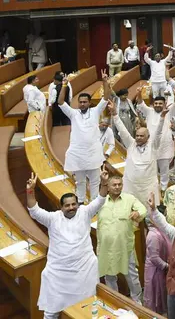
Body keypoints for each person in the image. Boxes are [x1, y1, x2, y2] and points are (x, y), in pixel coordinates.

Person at [26, 172, 108, 319]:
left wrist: (103, 183)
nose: (71, 208)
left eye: (73, 204)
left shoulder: (85, 212)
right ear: (61, 207)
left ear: (77, 204)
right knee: (51, 313)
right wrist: (30, 191)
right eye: (67, 205)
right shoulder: (52, 218)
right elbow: (34, 211)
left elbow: (100, 200)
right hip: (59, 274)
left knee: (86, 308)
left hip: (84, 271)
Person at [59, 71, 110, 204]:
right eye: (80, 102)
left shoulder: (95, 111)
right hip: (78, 154)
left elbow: (106, 98)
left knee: (95, 181)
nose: (82, 104)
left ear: (89, 103)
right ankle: (80, 203)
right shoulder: (73, 114)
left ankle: (94, 204)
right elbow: (60, 102)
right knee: (80, 181)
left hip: (93, 153)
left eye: (85, 102)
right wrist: (64, 85)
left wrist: (105, 81)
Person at [97, 175, 147, 304]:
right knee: (110, 276)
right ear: (107, 186)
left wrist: (137, 213)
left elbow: (143, 209)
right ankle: (115, 302)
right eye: (114, 185)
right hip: (106, 248)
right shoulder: (100, 201)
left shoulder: (129, 199)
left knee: (131, 275)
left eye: (120, 184)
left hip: (125, 246)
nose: (118, 187)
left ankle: (137, 302)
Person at [108, 98, 165, 204]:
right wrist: (115, 114)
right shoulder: (131, 144)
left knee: (151, 214)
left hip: (148, 186)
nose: (138, 138)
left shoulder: (153, 145)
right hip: (131, 186)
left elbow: (158, 133)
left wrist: (162, 118)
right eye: (137, 135)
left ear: (148, 137)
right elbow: (122, 129)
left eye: (141, 136)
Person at [136, 91, 175, 192]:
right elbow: (140, 103)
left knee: (164, 172)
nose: (158, 105)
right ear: (153, 104)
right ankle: (153, 190)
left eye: (160, 103)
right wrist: (139, 93)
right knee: (151, 171)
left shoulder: (168, 112)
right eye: (156, 103)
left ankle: (163, 190)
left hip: (165, 147)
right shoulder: (149, 111)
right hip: (151, 147)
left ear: (164, 104)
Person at [144, 205, 169, 315]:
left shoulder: (160, 230)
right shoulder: (153, 235)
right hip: (154, 271)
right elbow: (154, 258)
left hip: (161, 268)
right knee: (155, 295)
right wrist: (167, 266)